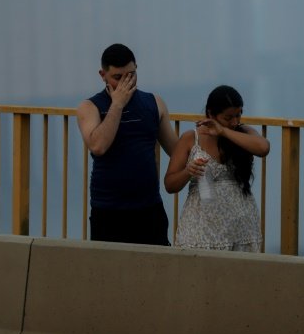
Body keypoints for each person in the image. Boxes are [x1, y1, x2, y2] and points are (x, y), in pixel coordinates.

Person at [76, 43, 178, 245]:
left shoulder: (154, 103)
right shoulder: (90, 107)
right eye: (117, 78)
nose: (125, 83)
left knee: (156, 271)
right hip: (109, 210)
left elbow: (176, 150)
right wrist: (117, 104)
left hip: (149, 208)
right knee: (110, 273)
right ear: (102, 75)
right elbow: (98, 146)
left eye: (130, 75)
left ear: (136, 68)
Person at [164, 84, 270, 252]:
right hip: (202, 225)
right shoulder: (191, 138)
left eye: (238, 115)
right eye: (228, 118)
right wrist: (188, 172)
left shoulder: (243, 132)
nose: (235, 122)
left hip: (240, 224)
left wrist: (224, 131)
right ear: (211, 114)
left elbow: (263, 148)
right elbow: (169, 184)